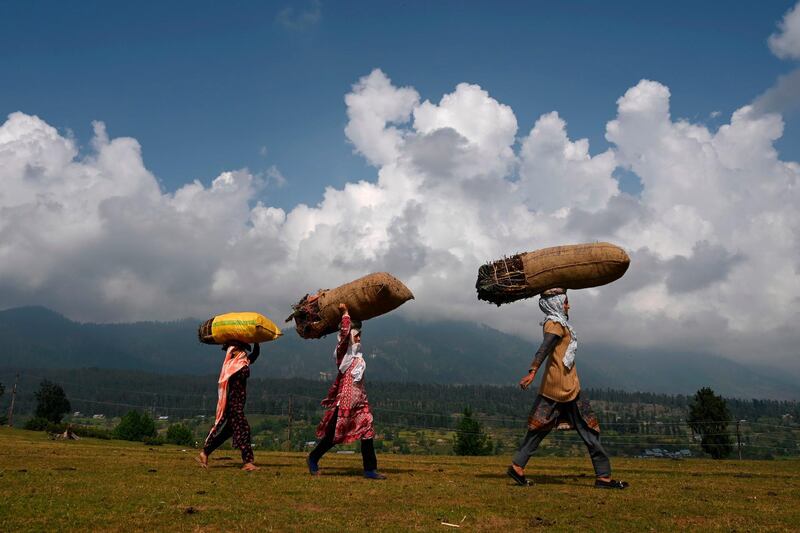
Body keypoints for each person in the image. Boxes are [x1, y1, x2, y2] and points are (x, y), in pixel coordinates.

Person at [507, 288, 628, 489]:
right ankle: (603, 478)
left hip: (558, 384)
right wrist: (532, 371)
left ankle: (517, 466)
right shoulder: (554, 324)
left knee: (539, 427)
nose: (568, 306)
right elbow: (544, 348)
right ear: (555, 304)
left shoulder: (558, 323)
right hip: (564, 388)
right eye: (565, 302)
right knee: (588, 428)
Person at [307, 303, 385, 479]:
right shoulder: (344, 355)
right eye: (356, 334)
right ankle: (313, 458)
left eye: (360, 334)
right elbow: (343, 335)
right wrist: (345, 314)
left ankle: (370, 469)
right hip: (346, 402)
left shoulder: (358, 355)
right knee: (333, 435)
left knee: (367, 431)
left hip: (360, 401)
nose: (359, 338)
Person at [198, 340, 260, 471]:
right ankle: (248, 462)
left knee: (226, 433)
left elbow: (254, 356)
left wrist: (256, 342)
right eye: (240, 349)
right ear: (233, 351)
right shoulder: (232, 367)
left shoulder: (242, 362)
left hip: (237, 405)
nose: (243, 351)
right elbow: (245, 366)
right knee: (244, 430)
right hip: (234, 406)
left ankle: (205, 452)